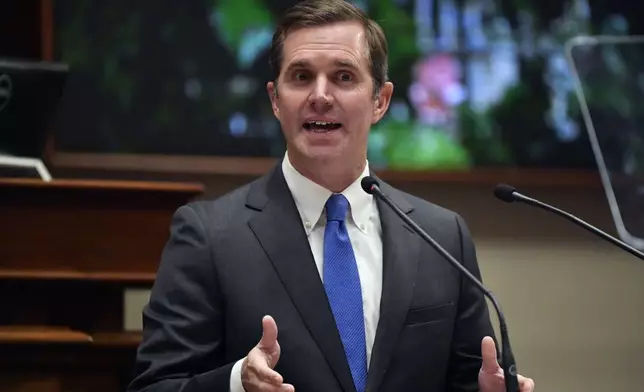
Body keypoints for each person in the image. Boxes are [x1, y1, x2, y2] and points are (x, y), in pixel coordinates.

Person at [127, 1, 535, 391]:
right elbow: (156, 385)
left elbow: (466, 377)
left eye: (343, 76)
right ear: (275, 99)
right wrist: (236, 384)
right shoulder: (208, 237)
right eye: (301, 76)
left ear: (381, 100)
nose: (320, 95)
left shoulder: (442, 237)